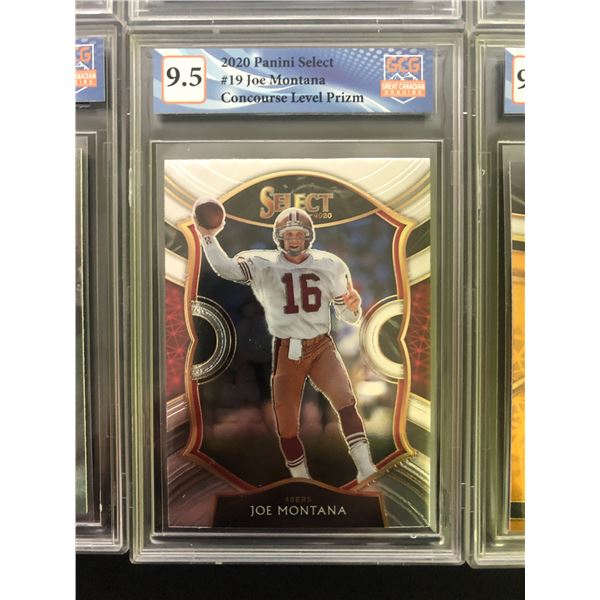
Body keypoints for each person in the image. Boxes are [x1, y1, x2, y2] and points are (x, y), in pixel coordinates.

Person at [194, 204, 377, 483]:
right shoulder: (262, 264)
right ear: (279, 237)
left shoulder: (330, 265)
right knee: (287, 426)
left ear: (308, 237)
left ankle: (365, 467)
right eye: (288, 234)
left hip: (321, 347)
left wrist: (354, 308)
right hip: (287, 350)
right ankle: (301, 478)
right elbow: (225, 268)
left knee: (346, 402)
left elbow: (349, 316)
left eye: (299, 234)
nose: (293, 239)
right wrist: (208, 236)